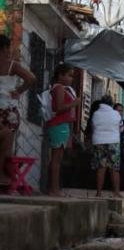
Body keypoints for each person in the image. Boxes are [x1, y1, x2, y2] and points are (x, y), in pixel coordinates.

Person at [0, 35, 35, 183]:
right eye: (9, 48)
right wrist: (19, 91)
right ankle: (3, 173)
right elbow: (31, 78)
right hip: (7, 108)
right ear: (5, 48)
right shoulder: (11, 65)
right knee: (6, 144)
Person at [45, 63, 80, 197]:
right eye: (69, 76)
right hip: (58, 124)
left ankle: (56, 188)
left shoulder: (61, 88)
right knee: (56, 158)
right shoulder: (59, 88)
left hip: (62, 125)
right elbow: (58, 107)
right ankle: (54, 189)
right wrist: (74, 104)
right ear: (60, 75)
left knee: (58, 158)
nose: (71, 79)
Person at [90, 95, 122, 198]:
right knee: (114, 169)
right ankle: (116, 193)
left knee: (101, 168)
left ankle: (98, 193)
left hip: (98, 142)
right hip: (113, 143)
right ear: (111, 104)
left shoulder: (96, 114)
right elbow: (121, 129)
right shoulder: (116, 114)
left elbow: (92, 127)